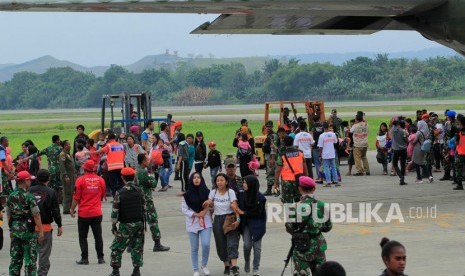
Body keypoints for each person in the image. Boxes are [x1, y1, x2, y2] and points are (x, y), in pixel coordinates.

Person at [285, 176, 332, 275]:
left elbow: (289, 227)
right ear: (314, 189)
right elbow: (328, 227)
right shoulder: (322, 205)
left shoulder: (294, 207)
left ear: (299, 189)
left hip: (301, 246)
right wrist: (316, 227)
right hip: (319, 246)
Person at [203, 173, 241, 276]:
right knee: (221, 244)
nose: (219, 182)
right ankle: (226, 266)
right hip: (218, 220)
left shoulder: (231, 192)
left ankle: (234, 267)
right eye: (217, 180)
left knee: (232, 243)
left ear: (226, 182)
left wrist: (238, 219)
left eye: (222, 180)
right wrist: (208, 203)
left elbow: (235, 206)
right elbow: (210, 203)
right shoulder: (213, 192)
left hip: (229, 218)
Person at [109, 167, 146, 276]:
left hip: (126, 224)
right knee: (137, 247)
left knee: (116, 247)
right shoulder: (140, 190)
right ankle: (136, 271)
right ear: (134, 177)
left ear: (122, 178)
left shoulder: (119, 193)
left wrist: (113, 225)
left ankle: (115, 271)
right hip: (139, 223)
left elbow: (115, 211)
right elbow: (144, 208)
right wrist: (144, 225)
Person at [6, 171, 44, 276]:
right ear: (25, 181)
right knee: (30, 261)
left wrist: (11, 229)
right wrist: (41, 231)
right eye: (29, 180)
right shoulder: (29, 197)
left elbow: (9, 214)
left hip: (15, 231)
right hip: (28, 232)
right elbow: (36, 215)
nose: (30, 182)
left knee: (15, 260)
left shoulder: (11, 196)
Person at [70, 159, 106, 265]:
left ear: (84, 168)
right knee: (98, 236)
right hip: (96, 212)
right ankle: (100, 258)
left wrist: (72, 209)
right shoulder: (100, 180)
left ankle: (85, 258)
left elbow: (76, 197)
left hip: (84, 213)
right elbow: (103, 194)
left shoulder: (80, 180)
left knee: (83, 236)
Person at [29, 169, 63, 276]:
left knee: (30, 253)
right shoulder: (51, 192)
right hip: (45, 227)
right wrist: (59, 225)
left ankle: (30, 272)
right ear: (48, 179)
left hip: (29, 227)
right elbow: (55, 211)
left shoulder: (29, 191)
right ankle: (42, 274)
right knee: (44, 254)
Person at [135, 153, 170, 251]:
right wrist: (152, 175)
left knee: (138, 222)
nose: (149, 161)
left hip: (138, 200)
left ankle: (131, 245)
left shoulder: (136, 171)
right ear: (143, 161)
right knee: (153, 221)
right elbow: (153, 184)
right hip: (146, 200)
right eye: (147, 160)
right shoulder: (144, 172)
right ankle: (157, 244)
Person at [182, 172, 212, 276]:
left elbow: (213, 205)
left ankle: (204, 264)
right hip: (192, 223)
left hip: (205, 222)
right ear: (191, 180)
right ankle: (195, 269)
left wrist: (207, 207)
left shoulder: (208, 193)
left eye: (198, 177)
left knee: (206, 244)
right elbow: (184, 210)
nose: (196, 179)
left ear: (201, 179)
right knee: (194, 248)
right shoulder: (186, 195)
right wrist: (196, 214)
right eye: (194, 178)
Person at [237, 175, 266, 276]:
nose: (243, 184)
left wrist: (244, 213)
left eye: (245, 182)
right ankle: (247, 261)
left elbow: (259, 213)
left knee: (257, 247)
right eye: (243, 182)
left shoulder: (261, 198)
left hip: (258, 223)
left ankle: (256, 268)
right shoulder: (241, 195)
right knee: (247, 245)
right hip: (246, 224)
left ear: (251, 184)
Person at [24, 135, 62, 201]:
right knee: (59, 185)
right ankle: (59, 199)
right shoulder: (60, 149)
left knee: (50, 185)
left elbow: (37, 154)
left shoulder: (48, 148)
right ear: (57, 140)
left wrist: (26, 158)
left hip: (51, 170)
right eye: (59, 140)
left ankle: (51, 198)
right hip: (59, 170)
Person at [275, 136, 308, 203]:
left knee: (287, 203)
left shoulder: (282, 155)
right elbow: (305, 167)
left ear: (283, 144)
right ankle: (299, 213)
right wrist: (306, 178)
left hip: (287, 181)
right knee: (300, 201)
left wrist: (275, 183)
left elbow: (278, 170)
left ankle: (290, 213)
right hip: (299, 180)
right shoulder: (300, 153)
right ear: (293, 142)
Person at [92, 132, 125, 196]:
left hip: (112, 167)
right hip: (121, 166)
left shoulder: (108, 145)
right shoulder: (121, 145)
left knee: (113, 183)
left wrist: (89, 152)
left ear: (109, 139)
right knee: (121, 182)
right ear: (115, 138)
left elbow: (99, 151)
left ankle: (115, 197)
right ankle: (122, 195)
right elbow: (123, 155)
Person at [318, 122, 340, 187]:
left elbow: (320, 147)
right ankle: (336, 181)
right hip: (332, 153)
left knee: (326, 167)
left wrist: (320, 155)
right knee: (333, 167)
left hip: (325, 154)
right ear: (328, 127)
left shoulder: (321, 136)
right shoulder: (333, 134)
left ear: (323, 127)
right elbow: (335, 142)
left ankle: (328, 182)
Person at [391, 119, 409, 185]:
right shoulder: (403, 131)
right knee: (403, 164)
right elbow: (407, 140)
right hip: (403, 149)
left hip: (396, 149)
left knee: (395, 164)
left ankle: (400, 177)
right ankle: (402, 179)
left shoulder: (392, 130)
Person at [262, 120, 278, 196]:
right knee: (272, 173)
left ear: (272, 127)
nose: (268, 128)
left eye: (269, 126)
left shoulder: (272, 136)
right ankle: (275, 190)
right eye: (267, 126)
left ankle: (269, 190)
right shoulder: (269, 135)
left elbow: (273, 148)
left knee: (271, 173)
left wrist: (272, 158)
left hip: (271, 157)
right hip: (268, 156)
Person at [453, 115, 465, 190]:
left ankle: (459, 185)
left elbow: (456, 143)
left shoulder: (459, 132)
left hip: (461, 153)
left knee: (459, 169)